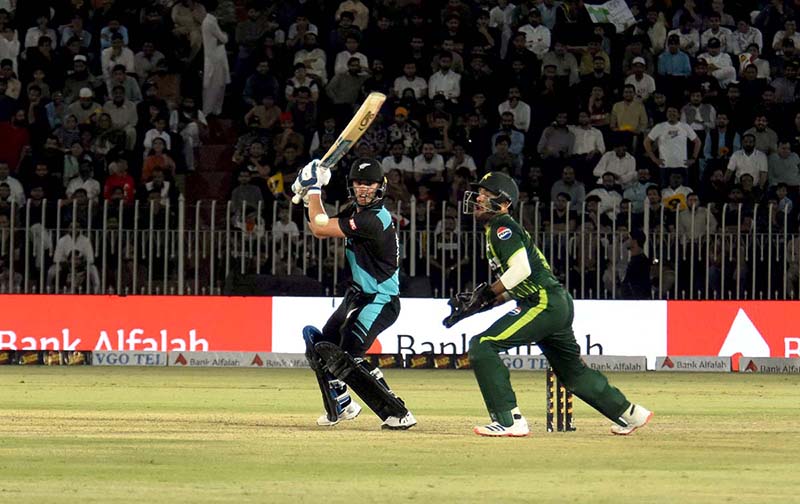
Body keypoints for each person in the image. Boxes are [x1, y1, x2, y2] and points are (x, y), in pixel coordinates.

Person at [444, 171, 652, 437]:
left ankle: (509, 420)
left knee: (483, 346)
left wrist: (485, 295)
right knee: (573, 373)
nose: (479, 199)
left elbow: (520, 271)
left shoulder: (501, 227)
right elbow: (517, 282)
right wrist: (483, 304)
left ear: (504, 203)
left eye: (487, 195)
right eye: (480, 194)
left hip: (543, 302)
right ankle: (631, 413)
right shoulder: (498, 229)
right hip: (555, 302)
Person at [294, 157, 416, 430]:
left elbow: (321, 226)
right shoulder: (356, 211)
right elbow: (320, 226)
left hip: (380, 299)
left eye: (369, 184)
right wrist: (307, 198)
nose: (363, 189)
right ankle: (344, 403)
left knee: (350, 355)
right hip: (357, 296)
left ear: (380, 186)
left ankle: (397, 410)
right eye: (358, 183)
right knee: (322, 348)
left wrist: (313, 189)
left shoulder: (374, 219)